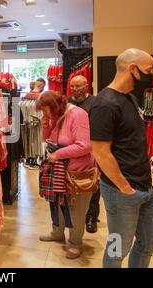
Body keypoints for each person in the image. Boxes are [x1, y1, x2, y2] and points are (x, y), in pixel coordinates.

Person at [90, 48, 153, 268]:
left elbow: (135, 140)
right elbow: (100, 152)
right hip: (122, 191)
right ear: (133, 68)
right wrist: (124, 187)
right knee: (117, 248)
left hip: (147, 187)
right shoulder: (104, 103)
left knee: (150, 243)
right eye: (149, 70)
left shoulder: (129, 98)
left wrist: (150, 173)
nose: (152, 75)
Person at [37, 91, 95, 259]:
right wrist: (46, 125)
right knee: (56, 203)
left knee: (75, 209)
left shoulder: (78, 114)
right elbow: (45, 139)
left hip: (76, 172)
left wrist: (58, 154)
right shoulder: (56, 116)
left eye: (45, 110)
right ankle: (57, 232)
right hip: (59, 170)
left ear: (54, 106)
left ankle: (76, 243)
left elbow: (84, 145)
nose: (44, 113)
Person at [68, 75, 99, 233]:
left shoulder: (95, 102)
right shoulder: (68, 102)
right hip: (73, 149)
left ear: (85, 86)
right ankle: (76, 217)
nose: (74, 89)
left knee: (92, 183)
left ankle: (92, 217)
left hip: (92, 148)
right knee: (73, 184)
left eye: (77, 86)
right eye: (72, 86)